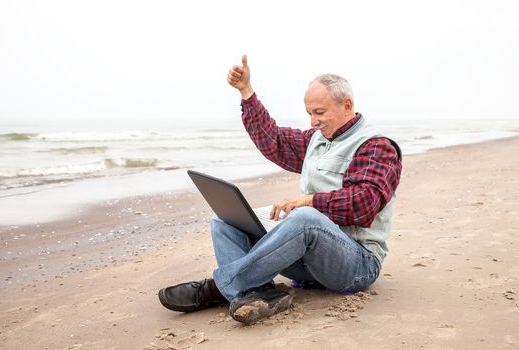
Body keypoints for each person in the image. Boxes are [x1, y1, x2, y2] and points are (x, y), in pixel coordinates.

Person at [158, 55, 402, 325]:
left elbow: (363, 204)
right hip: (309, 265)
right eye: (309, 113)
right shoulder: (317, 140)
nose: (313, 121)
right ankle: (257, 292)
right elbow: (273, 139)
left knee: (305, 218)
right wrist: (246, 91)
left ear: (347, 105)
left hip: (356, 265)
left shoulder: (376, 145)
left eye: (319, 112)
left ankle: (220, 288)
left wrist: (309, 201)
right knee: (226, 219)